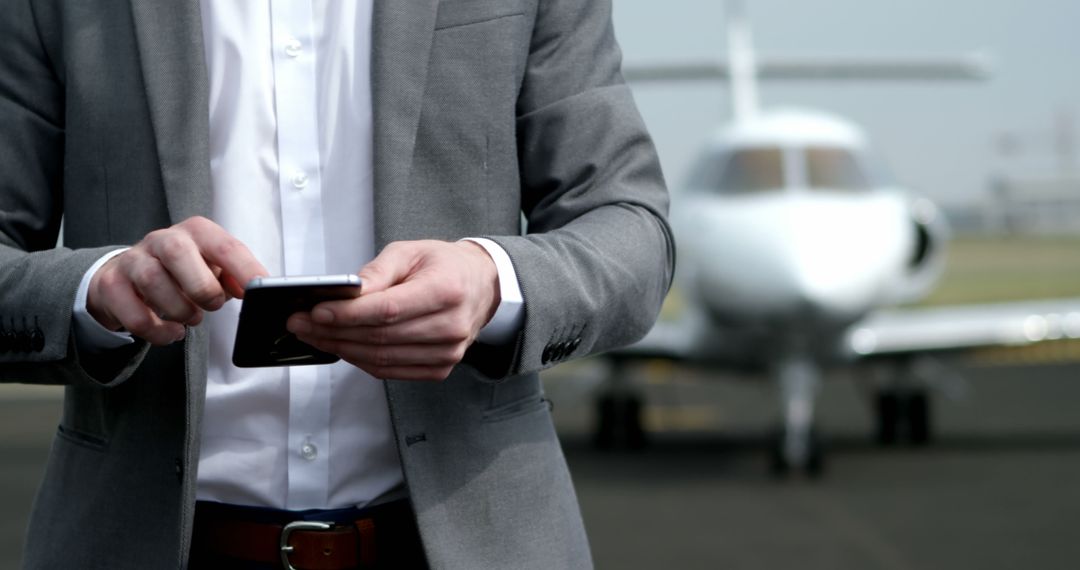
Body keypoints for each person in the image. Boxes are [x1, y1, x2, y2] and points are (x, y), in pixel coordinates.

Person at [0, 0, 673, 568]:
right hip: (140, 543)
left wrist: (493, 283)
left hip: (472, 543)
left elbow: (633, 232)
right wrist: (95, 289)